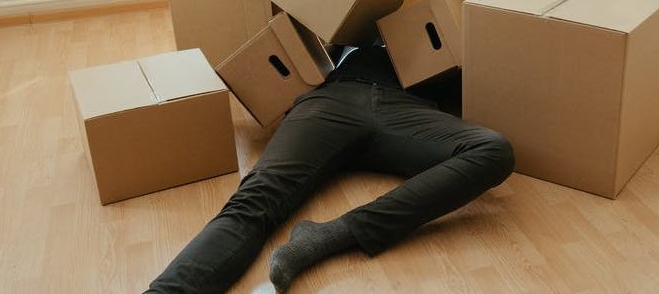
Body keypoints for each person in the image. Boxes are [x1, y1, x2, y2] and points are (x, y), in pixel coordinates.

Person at [145, 46, 515, 293]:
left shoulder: (449, 18)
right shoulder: (346, 19)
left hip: (408, 111)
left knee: (493, 150)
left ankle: (332, 236)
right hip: (331, 101)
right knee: (254, 201)